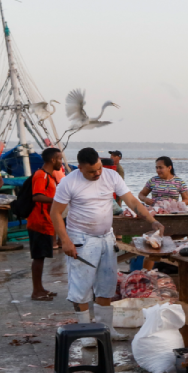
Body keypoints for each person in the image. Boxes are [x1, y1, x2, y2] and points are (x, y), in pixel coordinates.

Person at [51, 147, 163, 345]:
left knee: (107, 285)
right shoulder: (69, 182)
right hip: (81, 239)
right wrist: (65, 240)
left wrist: (151, 220)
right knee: (81, 287)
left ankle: (106, 330)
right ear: (80, 168)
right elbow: (55, 213)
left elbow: (132, 201)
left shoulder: (111, 176)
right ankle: (85, 333)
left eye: (99, 169)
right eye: (92, 171)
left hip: (106, 238)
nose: (97, 174)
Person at [29, 147, 63, 301]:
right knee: (38, 257)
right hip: (39, 222)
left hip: (45, 222)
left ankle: (40, 288)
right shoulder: (41, 176)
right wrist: (57, 201)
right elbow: (37, 196)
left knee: (41, 257)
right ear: (53, 160)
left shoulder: (49, 176)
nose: (61, 162)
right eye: (60, 159)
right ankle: (36, 291)